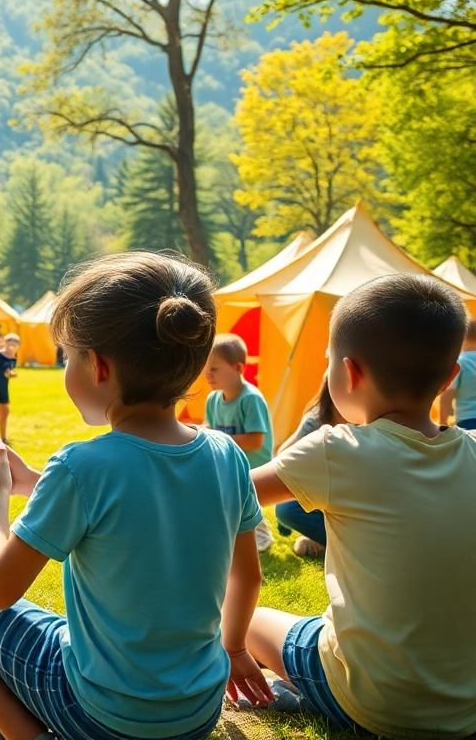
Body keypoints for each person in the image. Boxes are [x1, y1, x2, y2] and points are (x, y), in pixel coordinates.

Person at [0, 252, 269, 740]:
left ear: (99, 366)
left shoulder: (81, 466)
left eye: (67, 356)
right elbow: (245, 575)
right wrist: (234, 651)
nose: (66, 368)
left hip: (100, 717)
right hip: (196, 714)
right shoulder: (226, 455)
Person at [245, 274, 476, 739]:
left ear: (347, 372)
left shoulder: (337, 449)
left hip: (377, 705)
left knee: (250, 622)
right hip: (466, 705)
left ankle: (307, 690)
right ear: (451, 375)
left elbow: (229, 493)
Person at [203, 333, 276, 552]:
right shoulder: (213, 399)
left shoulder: (250, 399)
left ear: (238, 368)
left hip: (254, 466)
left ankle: (262, 534)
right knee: (224, 499)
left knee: (245, 500)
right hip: (230, 464)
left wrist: (221, 439)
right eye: (206, 368)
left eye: (214, 369)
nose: (207, 374)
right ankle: (233, 531)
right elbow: (209, 426)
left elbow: (255, 441)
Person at [272, 377, 342, 558]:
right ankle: (330, 543)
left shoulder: (372, 422)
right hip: (323, 496)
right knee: (286, 509)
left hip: (352, 503)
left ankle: (338, 545)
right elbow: (283, 457)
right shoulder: (316, 421)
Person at [439, 319, 476, 429]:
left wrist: (443, 422)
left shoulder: (460, 363)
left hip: (467, 422)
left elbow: (447, 395)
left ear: (462, 339)